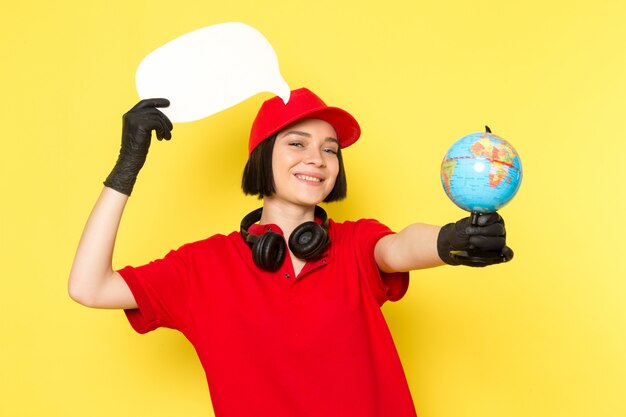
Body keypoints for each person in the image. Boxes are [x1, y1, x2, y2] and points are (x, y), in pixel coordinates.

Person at [69, 88, 512, 417]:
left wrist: (450, 241)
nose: (317, 159)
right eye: (297, 144)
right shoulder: (202, 267)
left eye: (330, 150)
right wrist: (127, 166)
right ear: (263, 157)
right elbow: (89, 286)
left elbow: (399, 247)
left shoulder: (355, 244)